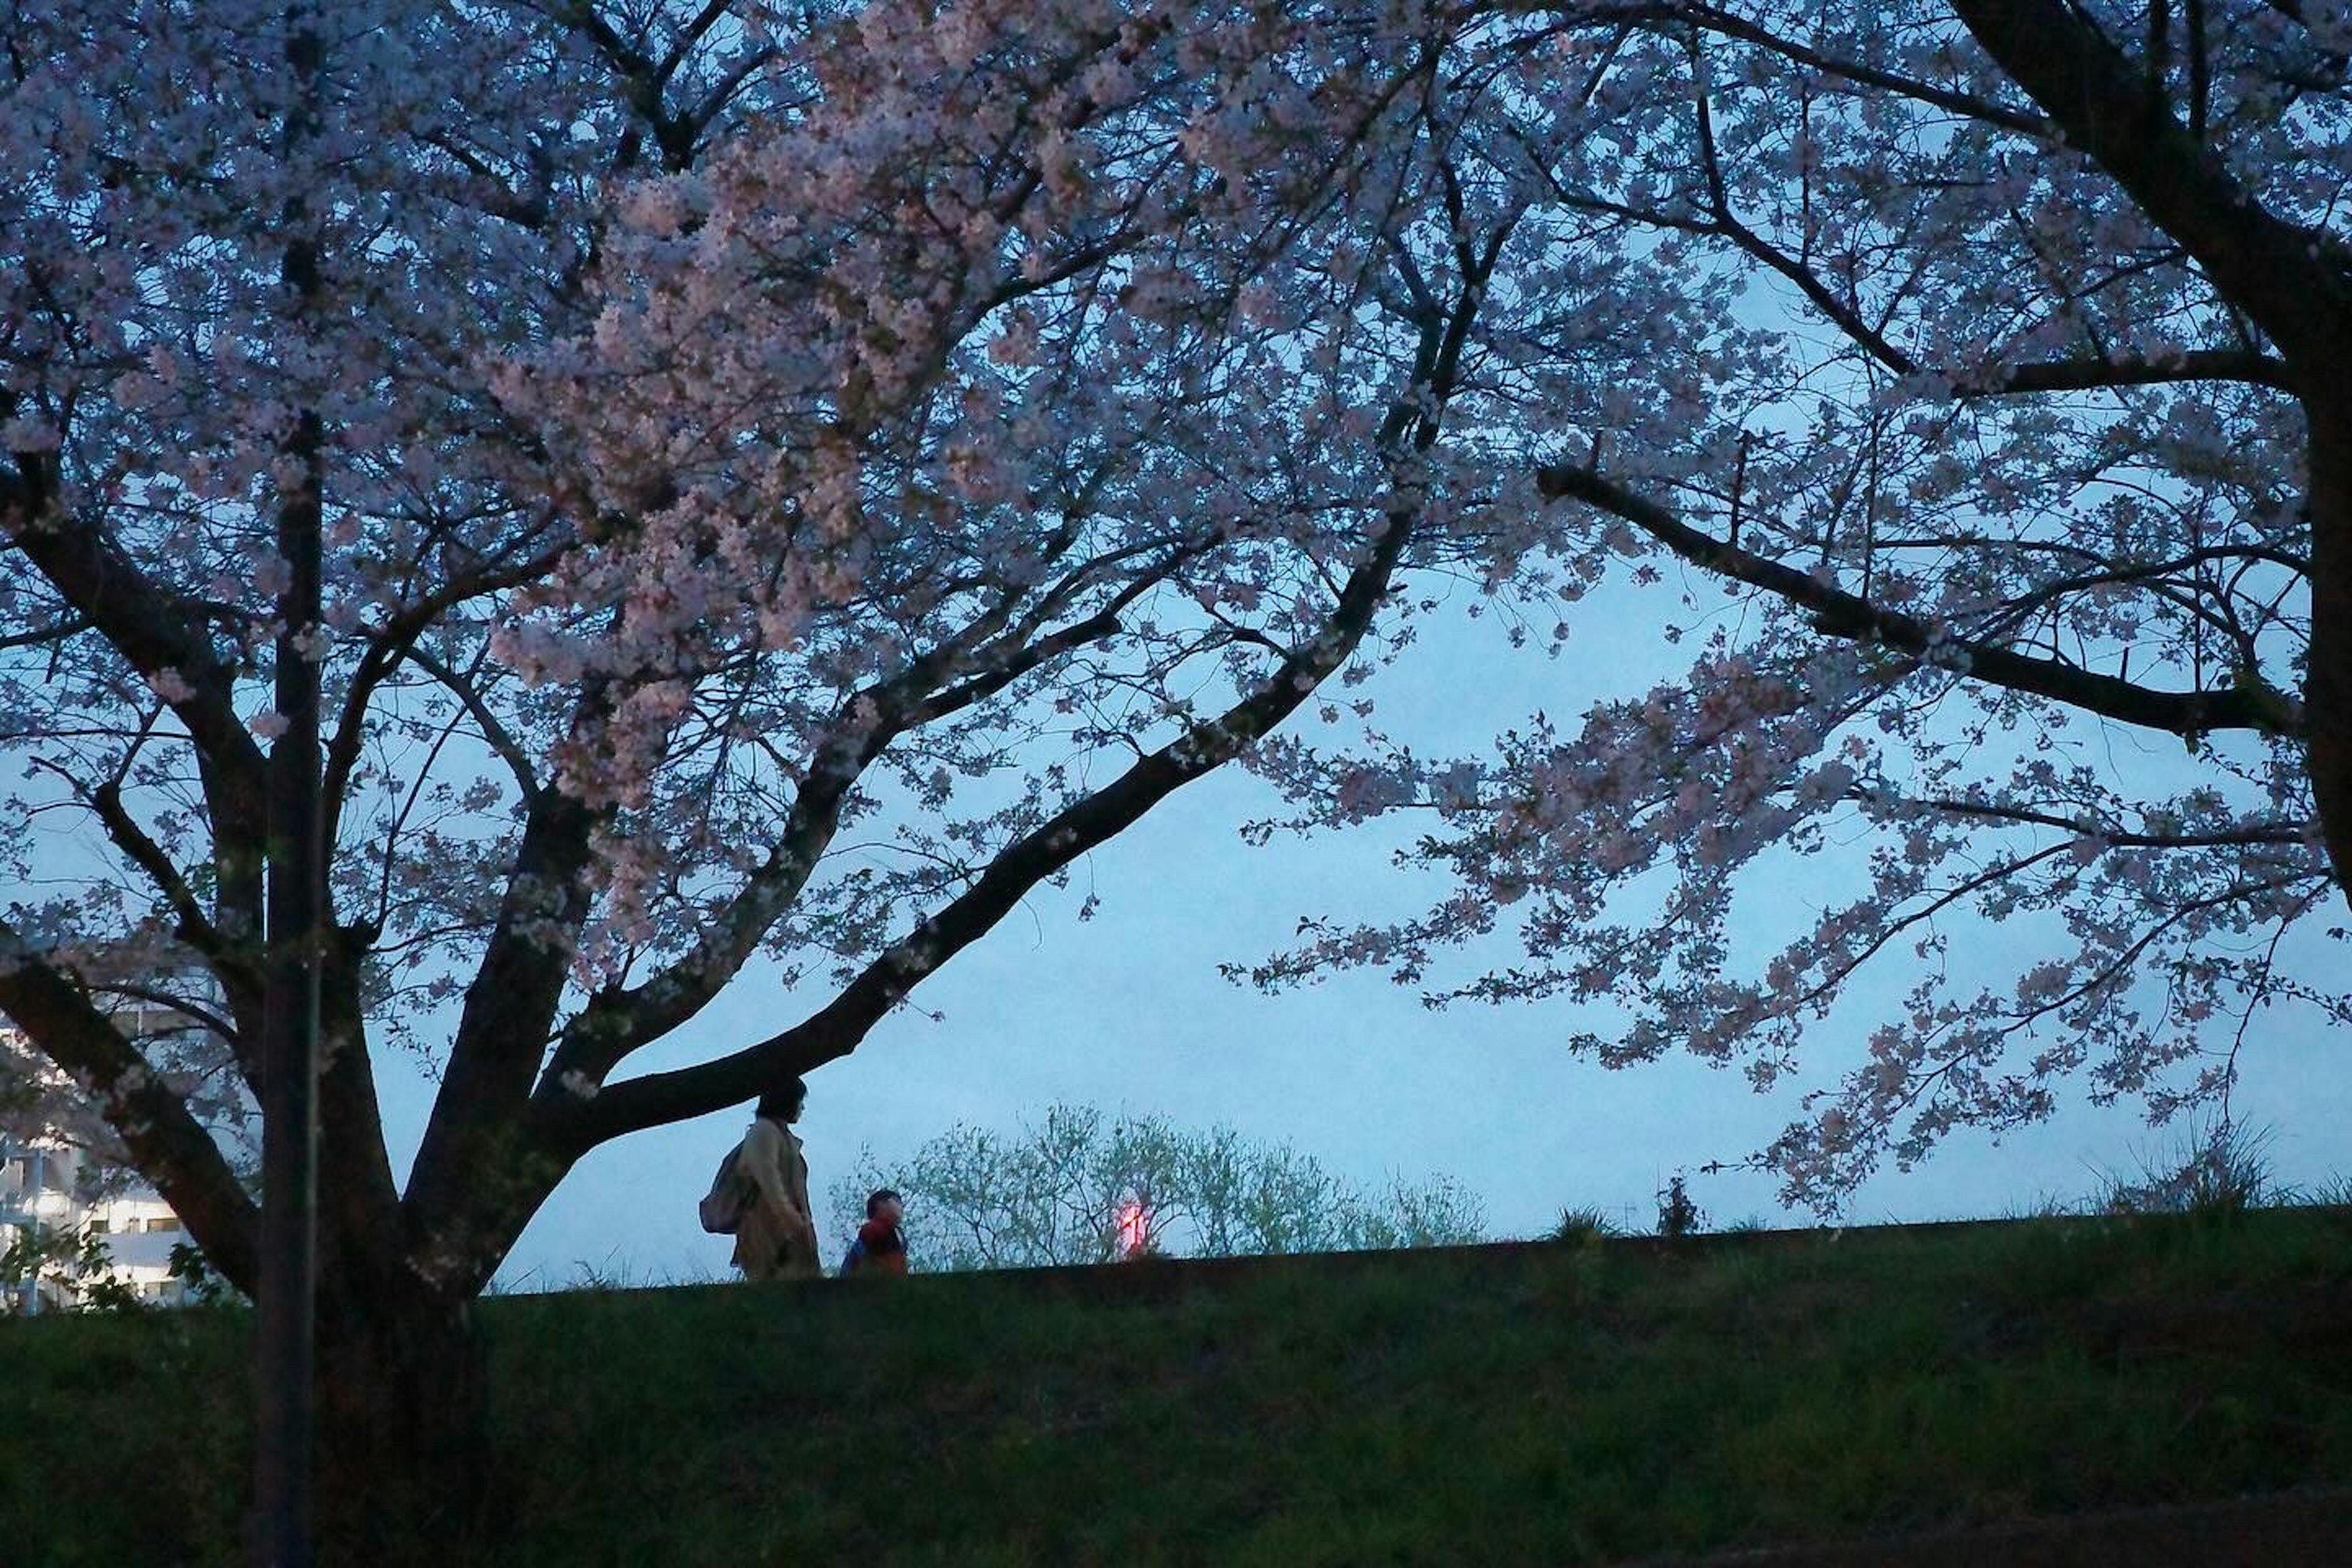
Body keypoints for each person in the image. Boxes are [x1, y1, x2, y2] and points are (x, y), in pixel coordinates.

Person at [731, 1077, 820, 1281]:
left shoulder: (781, 1135)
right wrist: (795, 1222)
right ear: (786, 1101)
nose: (802, 1107)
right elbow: (770, 1184)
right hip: (771, 1233)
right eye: (799, 1100)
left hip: (786, 1233)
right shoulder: (764, 1131)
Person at [840, 1188, 908, 1277]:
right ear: (880, 1204)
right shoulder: (872, 1230)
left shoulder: (898, 1234)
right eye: (896, 1201)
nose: (901, 1207)